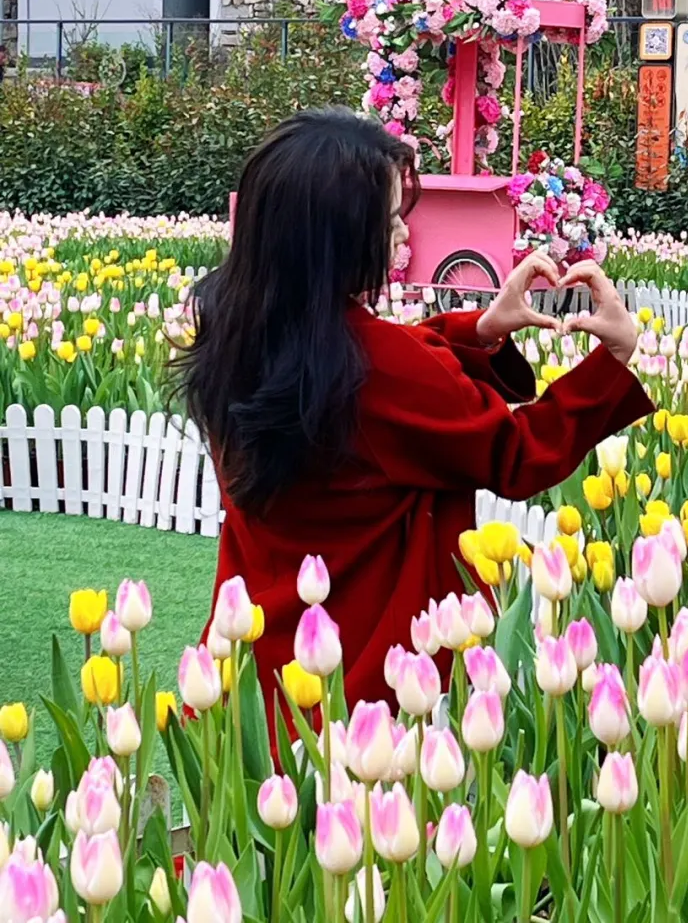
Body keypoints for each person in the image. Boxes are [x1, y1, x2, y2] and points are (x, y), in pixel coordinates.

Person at [176, 106, 650, 718]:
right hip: (366, 681)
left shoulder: (238, 329)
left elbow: (388, 375)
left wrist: (477, 331)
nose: (404, 235)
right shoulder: (376, 368)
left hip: (255, 672)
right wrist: (613, 358)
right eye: (392, 220)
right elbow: (516, 453)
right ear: (335, 241)